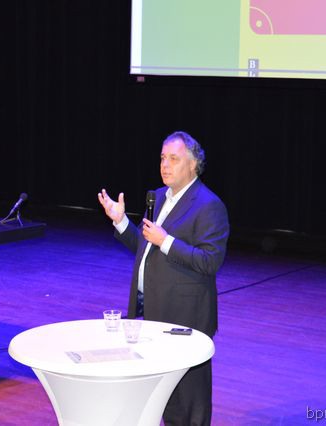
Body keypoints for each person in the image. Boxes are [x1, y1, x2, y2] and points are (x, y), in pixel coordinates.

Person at [97, 131, 229, 426]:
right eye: (162, 158)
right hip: (156, 310)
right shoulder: (157, 197)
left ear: (193, 164)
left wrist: (166, 240)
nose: (165, 165)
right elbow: (147, 248)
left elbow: (210, 261)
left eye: (173, 159)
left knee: (190, 401)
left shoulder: (209, 205)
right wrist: (121, 221)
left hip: (188, 318)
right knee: (167, 399)